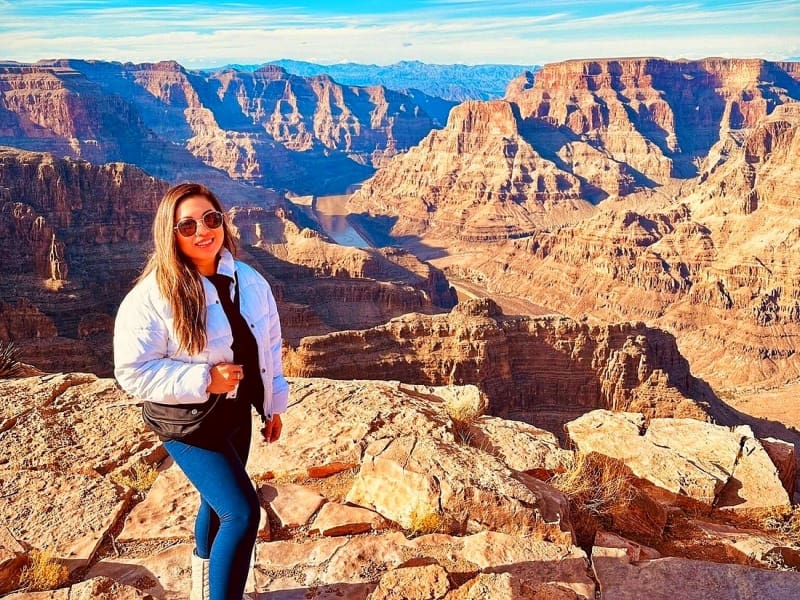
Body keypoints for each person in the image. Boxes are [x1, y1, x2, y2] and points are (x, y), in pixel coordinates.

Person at [114, 182, 289, 600]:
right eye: (186, 225)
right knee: (242, 513)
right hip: (187, 422)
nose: (202, 232)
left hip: (234, 415)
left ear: (223, 222)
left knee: (216, 505)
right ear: (169, 233)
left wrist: (272, 406)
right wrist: (204, 380)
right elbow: (132, 372)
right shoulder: (153, 295)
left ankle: (202, 588)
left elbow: (269, 347)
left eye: (210, 220)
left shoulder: (249, 280)